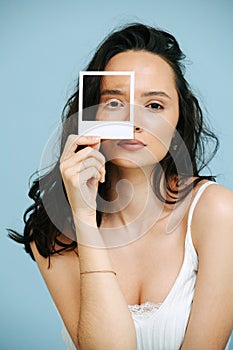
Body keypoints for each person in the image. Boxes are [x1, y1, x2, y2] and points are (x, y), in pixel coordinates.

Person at [9, 23, 233, 350]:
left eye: (154, 105)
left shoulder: (218, 214)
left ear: (177, 120)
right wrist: (85, 218)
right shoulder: (54, 237)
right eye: (114, 103)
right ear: (91, 113)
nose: (134, 121)